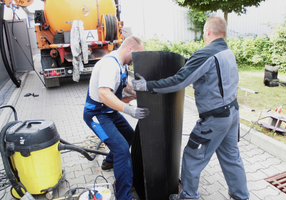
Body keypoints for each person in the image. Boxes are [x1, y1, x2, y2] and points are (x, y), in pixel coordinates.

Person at [132, 17, 250, 200]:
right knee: (232, 158)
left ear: (208, 31)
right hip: (232, 114)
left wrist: (147, 86)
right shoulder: (228, 52)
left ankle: (188, 196)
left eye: (204, 32)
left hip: (214, 119)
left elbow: (179, 81)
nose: (204, 35)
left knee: (192, 157)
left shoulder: (205, 54)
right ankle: (241, 196)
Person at [83, 36, 149, 200]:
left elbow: (125, 86)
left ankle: (109, 161)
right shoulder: (109, 64)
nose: (136, 60)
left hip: (110, 112)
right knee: (121, 150)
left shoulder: (122, 65)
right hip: (97, 114)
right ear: (130, 49)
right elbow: (104, 94)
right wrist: (129, 110)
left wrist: (143, 94)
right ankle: (123, 196)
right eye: (137, 55)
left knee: (131, 137)